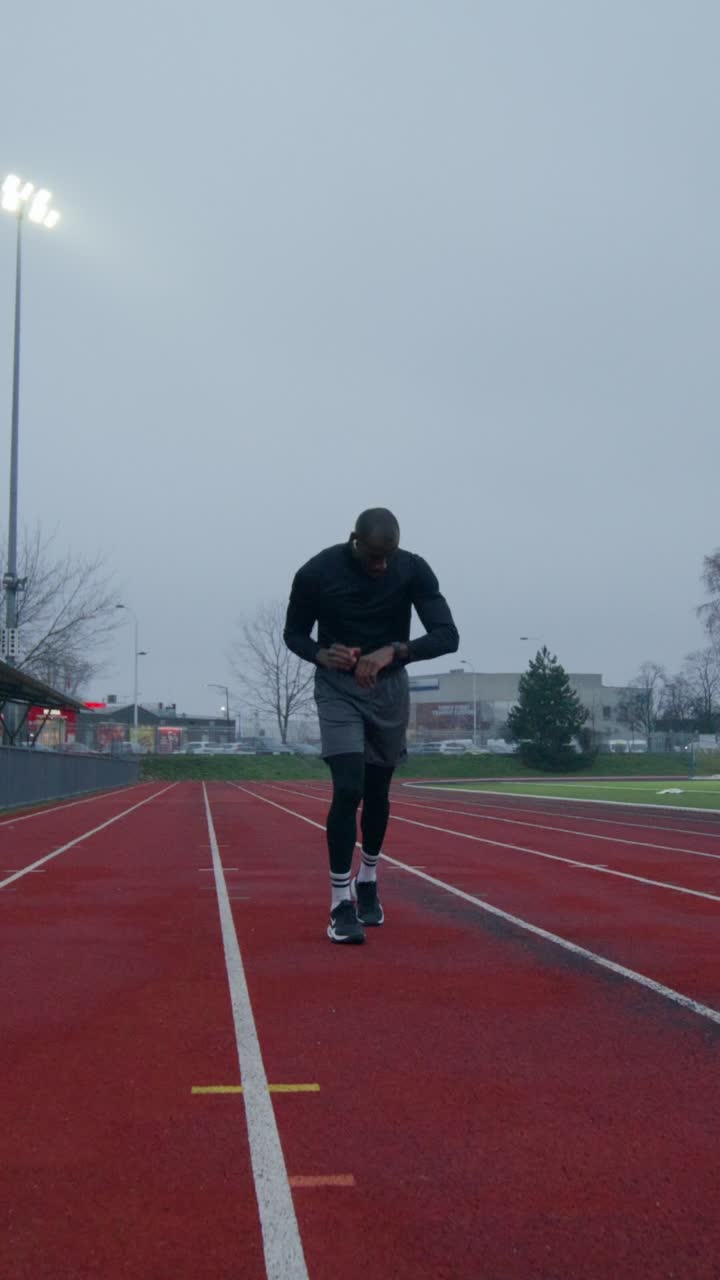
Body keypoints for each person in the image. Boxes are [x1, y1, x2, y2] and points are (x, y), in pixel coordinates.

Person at [283, 507, 459, 944]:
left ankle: (368, 878)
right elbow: (294, 634)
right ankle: (339, 904)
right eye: (374, 556)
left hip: (388, 689)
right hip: (337, 688)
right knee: (348, 788)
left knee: (378, 792)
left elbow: (447, 635)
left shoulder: (412, 569)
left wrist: (393, 651)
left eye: (388, 556)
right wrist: (320, 654)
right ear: (354, 540)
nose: (382, 565)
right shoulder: (316, 572)